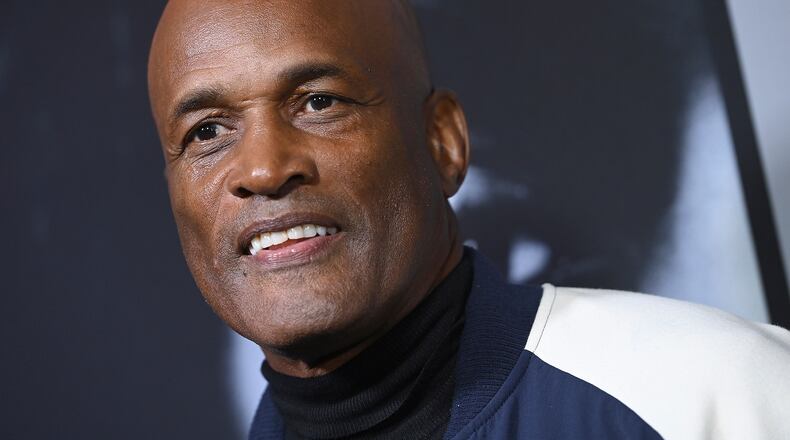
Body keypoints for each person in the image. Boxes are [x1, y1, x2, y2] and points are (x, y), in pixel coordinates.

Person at [146, 1, 790, 438]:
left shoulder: (711, 395)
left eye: (319, 101)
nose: (261, 168)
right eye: (207, 131)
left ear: (442, 142)